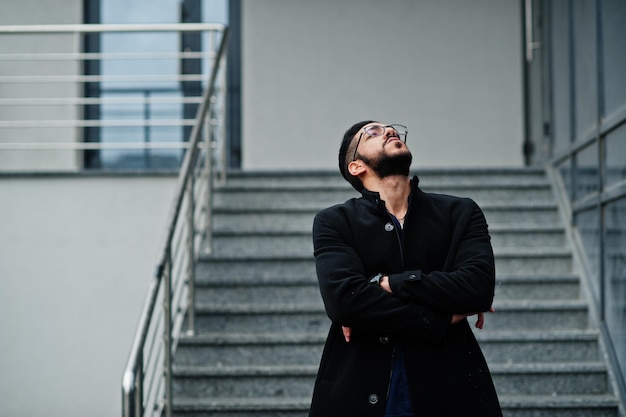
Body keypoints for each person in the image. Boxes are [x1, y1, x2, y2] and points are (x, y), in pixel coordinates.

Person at [308, 120, 502, 417]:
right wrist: (439, 317)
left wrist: (390, 283)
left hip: (451, 386)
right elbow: (344, 300)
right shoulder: (334, 221)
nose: (389, 131)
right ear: (356, 167)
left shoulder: (460, 212)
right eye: (373, 132)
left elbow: (477, 287)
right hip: (359, 388)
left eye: (393, 130)